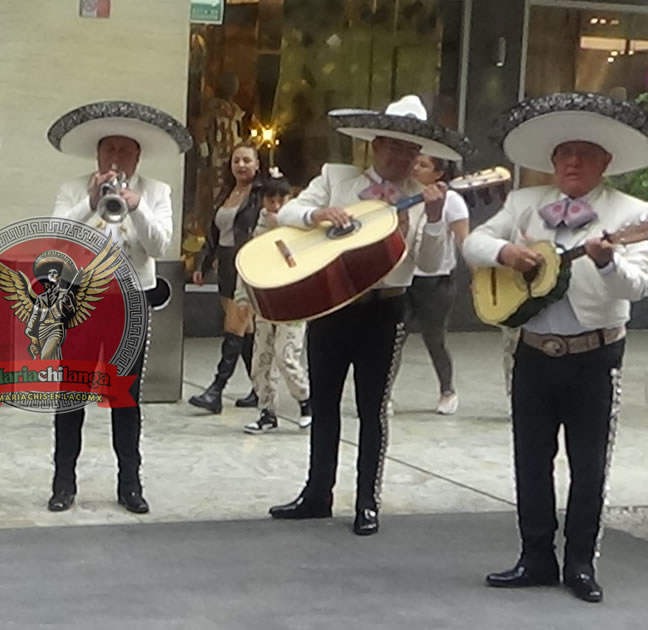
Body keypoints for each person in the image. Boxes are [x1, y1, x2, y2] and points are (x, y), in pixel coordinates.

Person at [463, 92, 648, 604]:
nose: (572, 162)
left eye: (585, 154)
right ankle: (535, 556)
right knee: (530, 458)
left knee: (589, 465)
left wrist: (607, 262)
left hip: (594, 355)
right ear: (552, 161)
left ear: (605, 163)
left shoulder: (634, 214)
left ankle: (582, 563)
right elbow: (472, 243)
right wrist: (507, 251)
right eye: (565, 153)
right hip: (533, 350)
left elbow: (636, 288)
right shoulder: (525, 204)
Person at [267, 95, 472, 536]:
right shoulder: (336, 179)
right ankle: (316, 493)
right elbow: (286, 212)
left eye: (411, 150)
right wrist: (316, 214)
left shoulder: (421, 198)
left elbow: (431, 259)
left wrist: (435, 218)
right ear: (375, 145)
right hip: (331, 304)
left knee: (372, 407)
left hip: (386, 308)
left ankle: (367, 501)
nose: (402, 156)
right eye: (394, 146)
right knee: (323, 402)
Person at [45, 100, 192, 514]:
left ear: (137, 157)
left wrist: (137, 205)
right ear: (97, 154)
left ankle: (130, 483)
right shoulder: (74, 189)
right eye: (108, 150)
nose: (115, 158)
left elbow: (159, 246)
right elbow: (57, 241)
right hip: (81, 298)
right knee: (70, 392)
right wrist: (91, 201)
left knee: (124, 395)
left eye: (124, 151)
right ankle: (63, 483)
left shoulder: (157, 192)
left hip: (129, 300)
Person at [189, 142, 261, 413]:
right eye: (236, 161)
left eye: (246, 160)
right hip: (226, 266)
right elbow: (213, 235)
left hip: (249, 265)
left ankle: (216, 389)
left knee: (234, 328)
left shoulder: (261, 194)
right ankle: (260, 387)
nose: (241, 165)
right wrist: (202, 264)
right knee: (246, 331)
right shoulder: (226, 194)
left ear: (257, 164)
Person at [237, 172, 312, 433]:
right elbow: (247, 262)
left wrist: (278, 229)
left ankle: (305, 402)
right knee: (261, 360)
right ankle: (266, 411)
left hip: (294, 301)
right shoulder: (256, 229)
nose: (277, 205)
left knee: (286, 355)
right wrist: (243, 295)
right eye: (272, 199)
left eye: (282, 199)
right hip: (265, 304)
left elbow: (300, 260)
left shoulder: (298, 227)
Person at [405, 154, 470, 415]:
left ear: (438, 173)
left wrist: (479, 277)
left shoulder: (452, 200)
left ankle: (447, 390)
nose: (415, 168)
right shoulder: (404, 194)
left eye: (423, 165)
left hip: (437, 281)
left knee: (435, 338)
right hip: (405, 277)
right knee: (395, 337)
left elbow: (464, 240)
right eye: (415, 162)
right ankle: (384, 394)